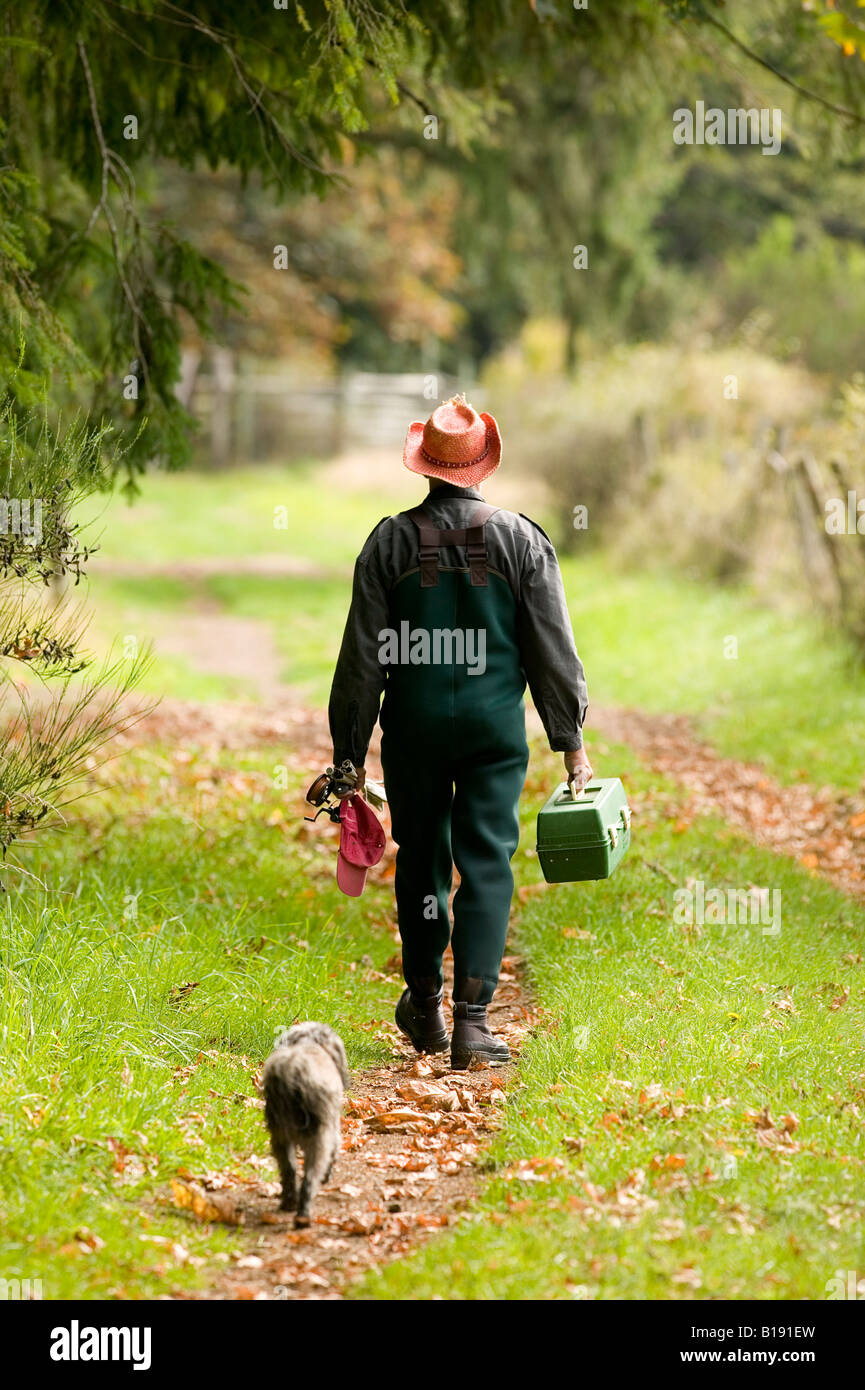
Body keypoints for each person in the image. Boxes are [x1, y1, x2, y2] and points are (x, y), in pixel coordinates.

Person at [328, 395, 591, 1069]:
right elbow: (549, 650)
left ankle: (425, 1006)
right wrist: (571, 742)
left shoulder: (388, 542)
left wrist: (349, 756)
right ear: (482, 467)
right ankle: (473, 1021)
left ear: (424, 466)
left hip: (413, 731)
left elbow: (363, 659)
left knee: (420, 862)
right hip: (492, 734)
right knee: (485, 863)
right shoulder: (520, 540)